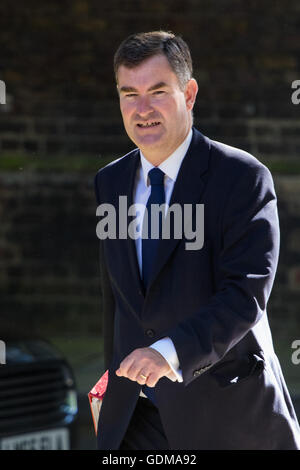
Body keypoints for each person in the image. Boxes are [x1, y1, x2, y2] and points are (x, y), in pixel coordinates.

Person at [94, 30, 300, 450]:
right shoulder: (109, 181)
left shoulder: (243, 178)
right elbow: (116, 298)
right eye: (129, 93)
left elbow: (244, 295)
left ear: (188, 94)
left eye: (157, 91)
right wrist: (109, 379)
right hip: (135, 418)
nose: (142, 109)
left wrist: (168, 352)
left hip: (224, 414)